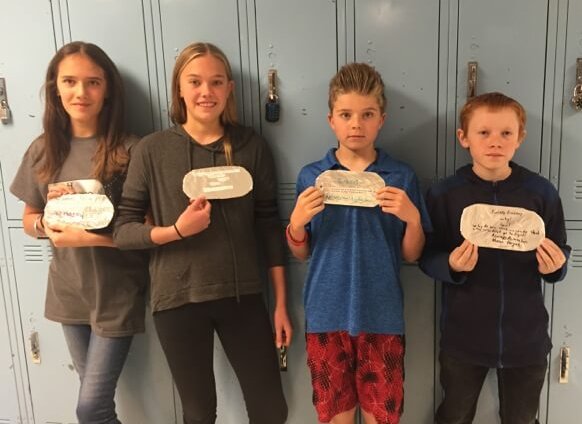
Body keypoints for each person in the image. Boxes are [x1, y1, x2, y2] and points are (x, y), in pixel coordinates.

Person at [113, 42, 292, 424]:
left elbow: (268, 227)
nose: (205, 92)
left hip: (242, 296)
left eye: (215, 82)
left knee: (271, 410)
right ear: (179, 88)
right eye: (194, 81)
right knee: (199, 413)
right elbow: (123, 231)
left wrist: (280, 304)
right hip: (177, 300)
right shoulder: (151, 150)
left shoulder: (251, 147)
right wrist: (176, 230)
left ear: (229, 88)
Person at [10, 41, 148, 423]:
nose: (80, 92)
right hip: (68, 293)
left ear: (108, 90)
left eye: (92, 82)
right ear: (56, 87)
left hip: (116, 291)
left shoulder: (130, 150)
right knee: (98, 407)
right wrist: (44, 226)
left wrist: (88, 238)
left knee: (90, 408)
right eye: (70, 81)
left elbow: (147, 229)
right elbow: (28, 218)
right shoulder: (44, 149)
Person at [287, 62, 431, 424]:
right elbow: (301, 251)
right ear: (331, 120)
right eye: (346, 114)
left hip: (381, 315)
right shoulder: (312, 175)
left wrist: (412, 217)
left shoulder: (401, 175)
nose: (356, 124)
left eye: (366, 114)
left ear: (381, 119)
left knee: (383, 416)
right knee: (335, 417)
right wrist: (296, 223)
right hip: (325, 314)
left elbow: (412, 254)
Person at [419, 92, 570, 424]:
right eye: (483, 132)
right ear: (464, 138)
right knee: (454, 415)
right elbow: (425, 255)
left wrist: (556, 268)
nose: (495, 143)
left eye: (506, 133)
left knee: (521, 418)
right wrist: (451, 266)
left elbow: (560, 250)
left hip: (526, 341)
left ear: (520, 138)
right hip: (463, 340)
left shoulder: (540, 192)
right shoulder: (444, 194)